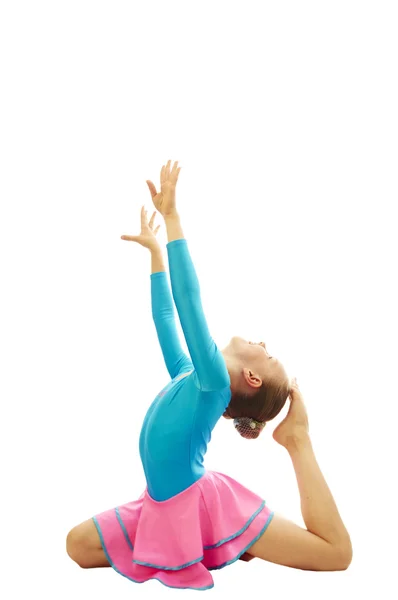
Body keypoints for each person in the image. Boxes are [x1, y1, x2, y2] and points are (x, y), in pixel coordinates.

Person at [66, 161, 352, 591]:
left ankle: (297, 441)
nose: (260, 340)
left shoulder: (215, 382)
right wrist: (156, 256)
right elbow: (165, 315)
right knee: (77, 546)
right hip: (160, 505)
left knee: (333, 555)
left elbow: (188, 303)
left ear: (251, 377)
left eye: (267, 353)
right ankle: (211, 543)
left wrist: (174, 220)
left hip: (207, 504)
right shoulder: (190, 374)